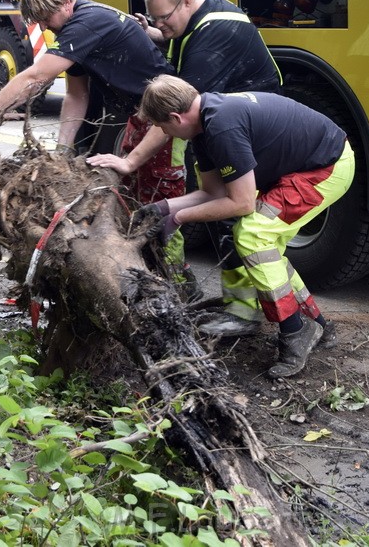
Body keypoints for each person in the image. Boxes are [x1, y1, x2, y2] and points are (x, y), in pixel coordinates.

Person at [0, 0, 187, 270]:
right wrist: (62, 151)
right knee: (132, 200)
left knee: (160, 198)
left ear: (67, 2)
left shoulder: (88, 22)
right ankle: (144, 270)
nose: (45, 26)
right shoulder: (75, 28)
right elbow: (76, 96)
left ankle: (177, 278)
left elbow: (36, 77)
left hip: (167, 118)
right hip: (138, 117)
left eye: (47, 17)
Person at [87, 0, 282, 327]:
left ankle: (244, 314)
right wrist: (153, 31)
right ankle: (239, 305)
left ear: (186, 1)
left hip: (241, 133)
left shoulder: (215, 36)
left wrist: (130, 162)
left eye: (164, 18)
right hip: (225, 125)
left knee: (234, 218)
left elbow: (172, 120)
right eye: (155, 18)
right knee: (219, 207)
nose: (161, 26)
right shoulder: (198, 16)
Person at [134, 74, 354, 379]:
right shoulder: (204, 127)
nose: (163, 132)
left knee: (251, 235)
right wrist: (163, 209)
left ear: (175, 117)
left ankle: (295, 332)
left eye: (162, 126)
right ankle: (315, 323)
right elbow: (214, 193)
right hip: (305, 167)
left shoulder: (222, 125)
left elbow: (241, 203)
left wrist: (179, 218)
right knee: (265, 247)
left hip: (326, 167)